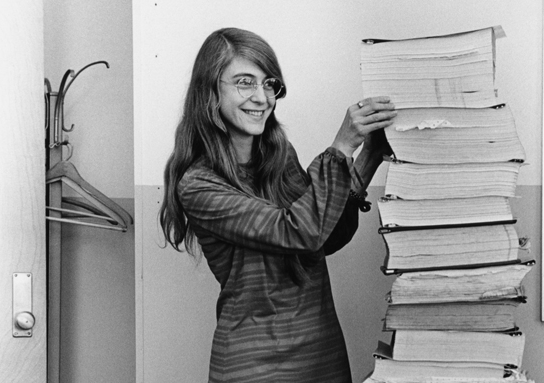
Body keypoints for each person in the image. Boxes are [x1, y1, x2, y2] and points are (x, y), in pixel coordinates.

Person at [159, 27, 396, 383]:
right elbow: (297, 231)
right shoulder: (198, 184)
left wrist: (370, 157)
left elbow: (325, 237)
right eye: (244, 82)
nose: (262, 97)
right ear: (210, 91)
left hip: (321, 351)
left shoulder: (279, 156)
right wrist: (342, 147)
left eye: (269, 84)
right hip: (253, 362)